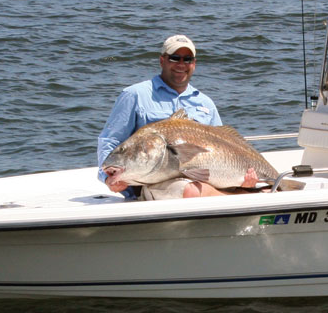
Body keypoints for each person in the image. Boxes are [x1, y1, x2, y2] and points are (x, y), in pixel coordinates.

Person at [97, 35, 258, 198]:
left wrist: (245, 181)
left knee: (213, 185)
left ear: (194, 64)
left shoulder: (205, 103)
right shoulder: (135, 95)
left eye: (187, 59)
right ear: (162, 60)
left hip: (202, 179)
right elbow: (110, 140)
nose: (181, 64)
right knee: (191, 190)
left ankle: (253, 191)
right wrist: (108, 178)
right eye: (174, 58)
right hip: (154, 185)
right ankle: (245, 197)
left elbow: (224, 144)